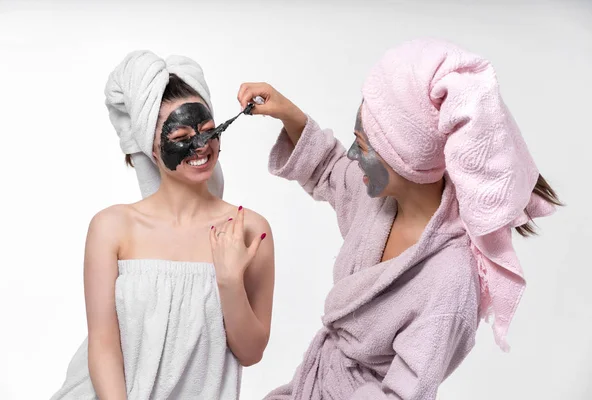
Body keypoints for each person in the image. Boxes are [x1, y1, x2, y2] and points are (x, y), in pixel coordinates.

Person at [237, 38, 560, 400]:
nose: (351, 155)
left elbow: (406, 393)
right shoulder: (380, 203)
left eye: (361, 144)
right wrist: (287, 112)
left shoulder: (450, 278)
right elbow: (327, 167)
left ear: (403, 157)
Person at [51, 50, 275, 400]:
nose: (200, 145)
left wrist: (230, 281)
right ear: (152, 147)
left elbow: (250, 352)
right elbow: (103, 346)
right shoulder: (111, 228)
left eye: (207, 130)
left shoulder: (246, 229)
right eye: (181, 136)